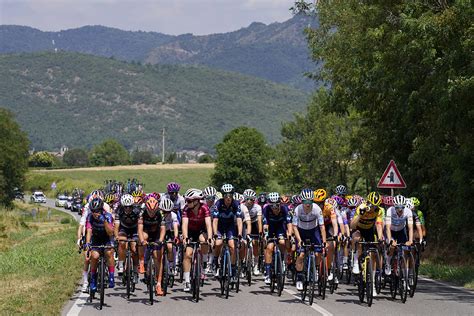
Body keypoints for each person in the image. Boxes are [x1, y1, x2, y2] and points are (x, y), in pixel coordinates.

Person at [350, 191, 384, 296]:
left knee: (373, 253)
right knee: (357, 238)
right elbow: (352, 225)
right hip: (358, 228)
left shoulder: (379, 211)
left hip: (369, 229)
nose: (373, 208)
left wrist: (379, 238)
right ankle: (356, 260)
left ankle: (372, 284)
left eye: (376, 206)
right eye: (372, 205)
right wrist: (360, 214)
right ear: (367, 202)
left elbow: (378, 225)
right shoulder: (361, 207)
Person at [292, 189, 326, 291]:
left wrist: (324, 242)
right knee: (301, 255)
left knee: (318, 253)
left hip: (313, 231)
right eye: (305, 202)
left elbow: (322, 227)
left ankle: (315, 269)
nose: (308, 204)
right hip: (301, 231)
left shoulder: (316, 209)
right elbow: (294, 227)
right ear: (302, 201)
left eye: (310, 201)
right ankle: (299, 278)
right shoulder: (297, 210)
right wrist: (299, 240)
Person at [182, 188, 213, 292]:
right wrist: (185, 238)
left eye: (189, 201)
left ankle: (204, 260)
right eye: (186, 200)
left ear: (196, 201)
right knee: (188, 254)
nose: (187, 203)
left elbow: (208, 224)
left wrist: (210, 237)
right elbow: (184, 224)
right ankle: (187, 281)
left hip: (201, 230)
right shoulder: (186, 209)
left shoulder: (204, 208)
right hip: (190, 231)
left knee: (203, 240)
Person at [212, 184, 243, 283]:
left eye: (230, 195)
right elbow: (215, 220)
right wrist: (215, 234)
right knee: (218, 243)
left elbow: (239, 219)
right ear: (223, 196)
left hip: (230, 226)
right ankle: (215, 261)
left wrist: (240, 233)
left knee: (232, 246)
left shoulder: (236, 203)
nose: (228, 198)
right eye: (226, 195)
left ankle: (233, 270)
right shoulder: (218, 203)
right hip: (220, 226)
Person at [85, 197, 115, 292]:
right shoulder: (89, 217)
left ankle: (111, 276)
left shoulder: (108, 216)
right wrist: (87, 244)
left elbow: (110, 233)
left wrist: (104, 221)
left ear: (101, 209)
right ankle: (93, 278)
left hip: (106, 238)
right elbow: (89, 231)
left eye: (97, 211)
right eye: (93, 211)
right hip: (96, 238)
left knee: (109, 253)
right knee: (95, 256)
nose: (95, 213)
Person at [262, 192, 292, 285]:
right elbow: (265, 224)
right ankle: (267, 273)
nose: (275, 208)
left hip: (280, 227)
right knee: (269, 248)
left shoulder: (285, 209)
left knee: (283, 242)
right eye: (273, 206)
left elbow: (289, 224)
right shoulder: (266, 209)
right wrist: (266, 234)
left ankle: (282, 259)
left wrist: (289, 234)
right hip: (270, 228)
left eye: (277, 205)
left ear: (280, 204)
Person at [138, 195, 166, 295]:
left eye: (153, 212)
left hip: (157, 233)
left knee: (157, 257)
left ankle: (158, 284)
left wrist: (161, 240)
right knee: (143, 238)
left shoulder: (160, 213)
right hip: (146, 231)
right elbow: (140, 229)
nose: (152, 213)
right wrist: (141, 241)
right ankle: (141, 260)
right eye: (150, 211)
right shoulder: (142, 212)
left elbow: (163, 229)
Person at [385, 195, 414, 276]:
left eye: (402, 207)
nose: (400, 210)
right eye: (397, 207)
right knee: (392, 246)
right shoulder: (390, 210)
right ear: (394, 206)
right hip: (391, 230)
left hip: (401, 230)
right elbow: (387, 227)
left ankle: (405, 277)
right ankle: (388, 263)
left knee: (406, 250)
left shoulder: (408, 211)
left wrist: (410, 240)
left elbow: (410, 227)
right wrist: (391, 239)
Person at [114, 193, 141, 278]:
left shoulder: (137, 210)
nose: (128, 209)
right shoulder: (119, 211)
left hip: (134, 229)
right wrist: (116, 236)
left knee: (134, 247)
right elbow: (116, 226)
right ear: (123, 206)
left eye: (130, 206)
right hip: (123, 229)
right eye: (126, 207)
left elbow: (140, 225)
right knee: (122, 243)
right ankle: (121, 264)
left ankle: (136, 269)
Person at [241, 189, 263, 276]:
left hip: (254, 223)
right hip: (244, 223)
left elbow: (259, 221)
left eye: (252, 199)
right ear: (244, 199)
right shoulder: (241, 206)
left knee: (255, 243)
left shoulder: (257, 207)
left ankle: (256, 265)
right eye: (247, 199)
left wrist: (260, 232)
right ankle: (242, 263)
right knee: (243, 244)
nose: (250, 201)